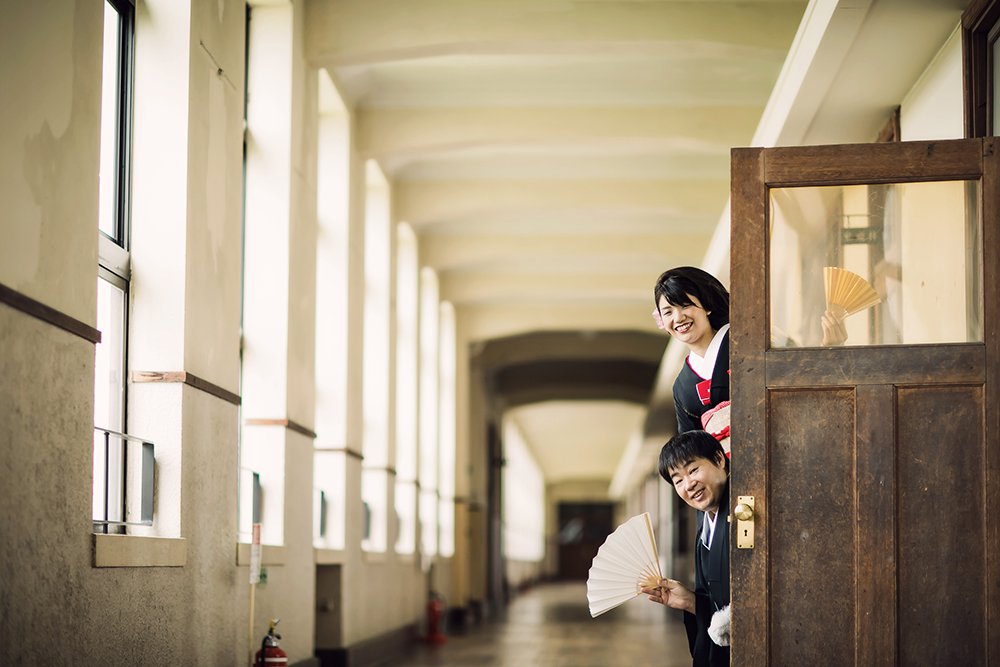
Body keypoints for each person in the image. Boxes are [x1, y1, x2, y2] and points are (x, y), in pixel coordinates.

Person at [641, 431, 731, 667]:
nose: (689, 485)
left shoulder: (746, 513)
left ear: (719, 460)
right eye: (678, 480)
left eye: (693, 470)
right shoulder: (704, 530)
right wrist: (691, 602)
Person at [652, 267, 731, 434]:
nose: (678, 318)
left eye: (685, 305)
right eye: (668, 312)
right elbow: (693, 447)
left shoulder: (745, 340)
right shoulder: (681, 386)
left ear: (707, 305)